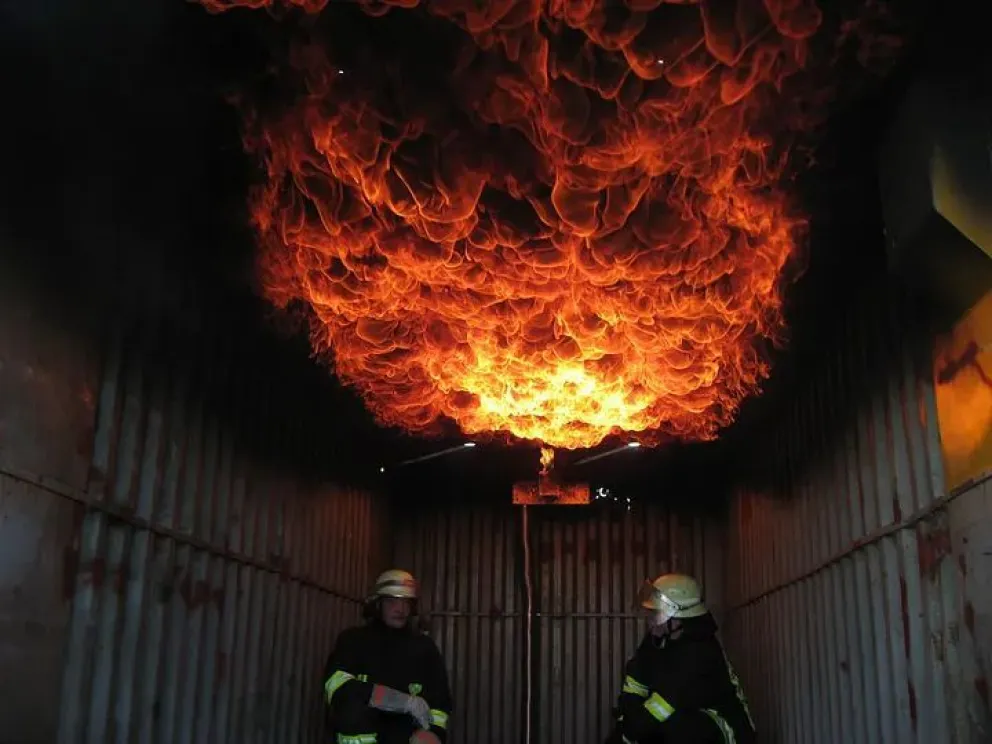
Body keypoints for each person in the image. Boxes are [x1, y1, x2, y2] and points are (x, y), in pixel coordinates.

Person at [605, 573, 756, 744]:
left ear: (678, 619)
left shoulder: (700, 651)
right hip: (682, 715)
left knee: (669, 727)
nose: (651, 620)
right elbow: (637, 679)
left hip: (725, 730)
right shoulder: (657, 639)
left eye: (656, 614)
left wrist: (628, 734)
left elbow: (664, 704)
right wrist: (625, 717)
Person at [324, 569, 453, 744]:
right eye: (392, 602)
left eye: (406, 603)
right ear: (377, 604)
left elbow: (440, 701)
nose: (400, 609)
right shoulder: (353, 641)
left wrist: (433, 733)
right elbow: (339, 689)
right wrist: (401, 701)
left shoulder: (425, 648)